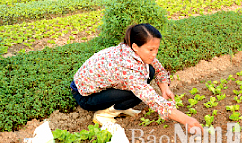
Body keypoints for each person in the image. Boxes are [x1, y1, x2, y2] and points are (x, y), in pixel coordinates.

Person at [70, 23, 203, 132]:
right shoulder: (126, 66)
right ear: (135, 46)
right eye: (151, 50)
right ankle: (103, 115)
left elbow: (158, 69)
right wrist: (187, 120)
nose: (154, 54)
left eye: (156, 49)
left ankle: (118, 107)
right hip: (85, 96)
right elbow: (152, 99)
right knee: (137, 93)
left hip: (100, 89)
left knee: (149, 70)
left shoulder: (133, 51)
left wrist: (164, 89)